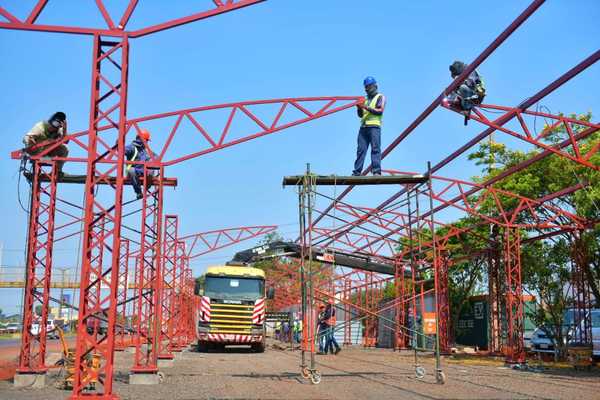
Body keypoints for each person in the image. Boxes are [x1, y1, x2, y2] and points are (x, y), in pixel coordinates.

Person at [353, 76, 385, 176]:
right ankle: (357, 172)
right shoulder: (365, 100)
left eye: (369, 86)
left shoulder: (380, 97)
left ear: (375, 86)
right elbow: (361, 115)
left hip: (374, 127)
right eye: (366, 87)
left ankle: (376, 171)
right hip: (363, 127)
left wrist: (365, 106)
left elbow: (379, 111)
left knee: (375, 149)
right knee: (361, 150)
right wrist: (359, 108)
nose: (367, 89)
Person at [124, 129, 154, 199]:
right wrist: (119, 147)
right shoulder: (132, 147)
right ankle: (138, 192)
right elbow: (123, 151)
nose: (147, 142)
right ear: (142, 139)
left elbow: (156, 157)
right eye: (146, 140)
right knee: (131, 170)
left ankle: (146, 187)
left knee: (151, 171)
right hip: (134, 171)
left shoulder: (145, 151)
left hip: (143, 171)